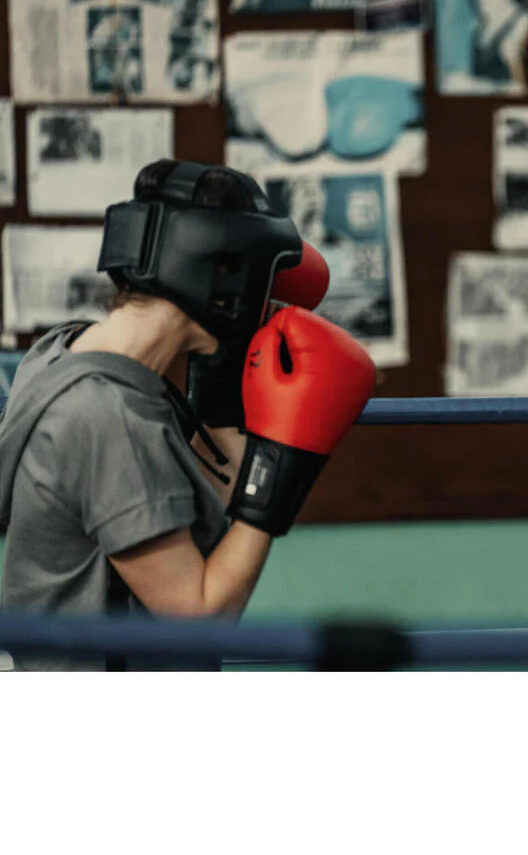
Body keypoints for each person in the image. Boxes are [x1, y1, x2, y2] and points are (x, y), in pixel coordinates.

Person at [0, 160, 376, 671]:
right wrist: (279, 473)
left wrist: (225, 393)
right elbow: (198, 619)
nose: (269, 302)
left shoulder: (60, 352)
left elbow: (169, 501)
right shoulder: (108, 418)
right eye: (260, 281)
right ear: (223, 277)